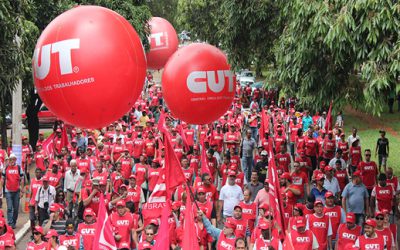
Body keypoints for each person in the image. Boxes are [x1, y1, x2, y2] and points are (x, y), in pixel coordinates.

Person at [1, 154, 24, 229]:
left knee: (16, 208)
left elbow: (22, 179)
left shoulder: (19, 168)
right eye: (10, 159)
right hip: (8, 191)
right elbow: (2, 179)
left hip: (16, 191)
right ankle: (10, 223)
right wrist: (0, 189)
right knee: (9, 208)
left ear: (15, 160)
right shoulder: (6, 168)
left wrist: (22, 190)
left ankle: (14, 221)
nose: (12, 161)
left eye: (13, 159)